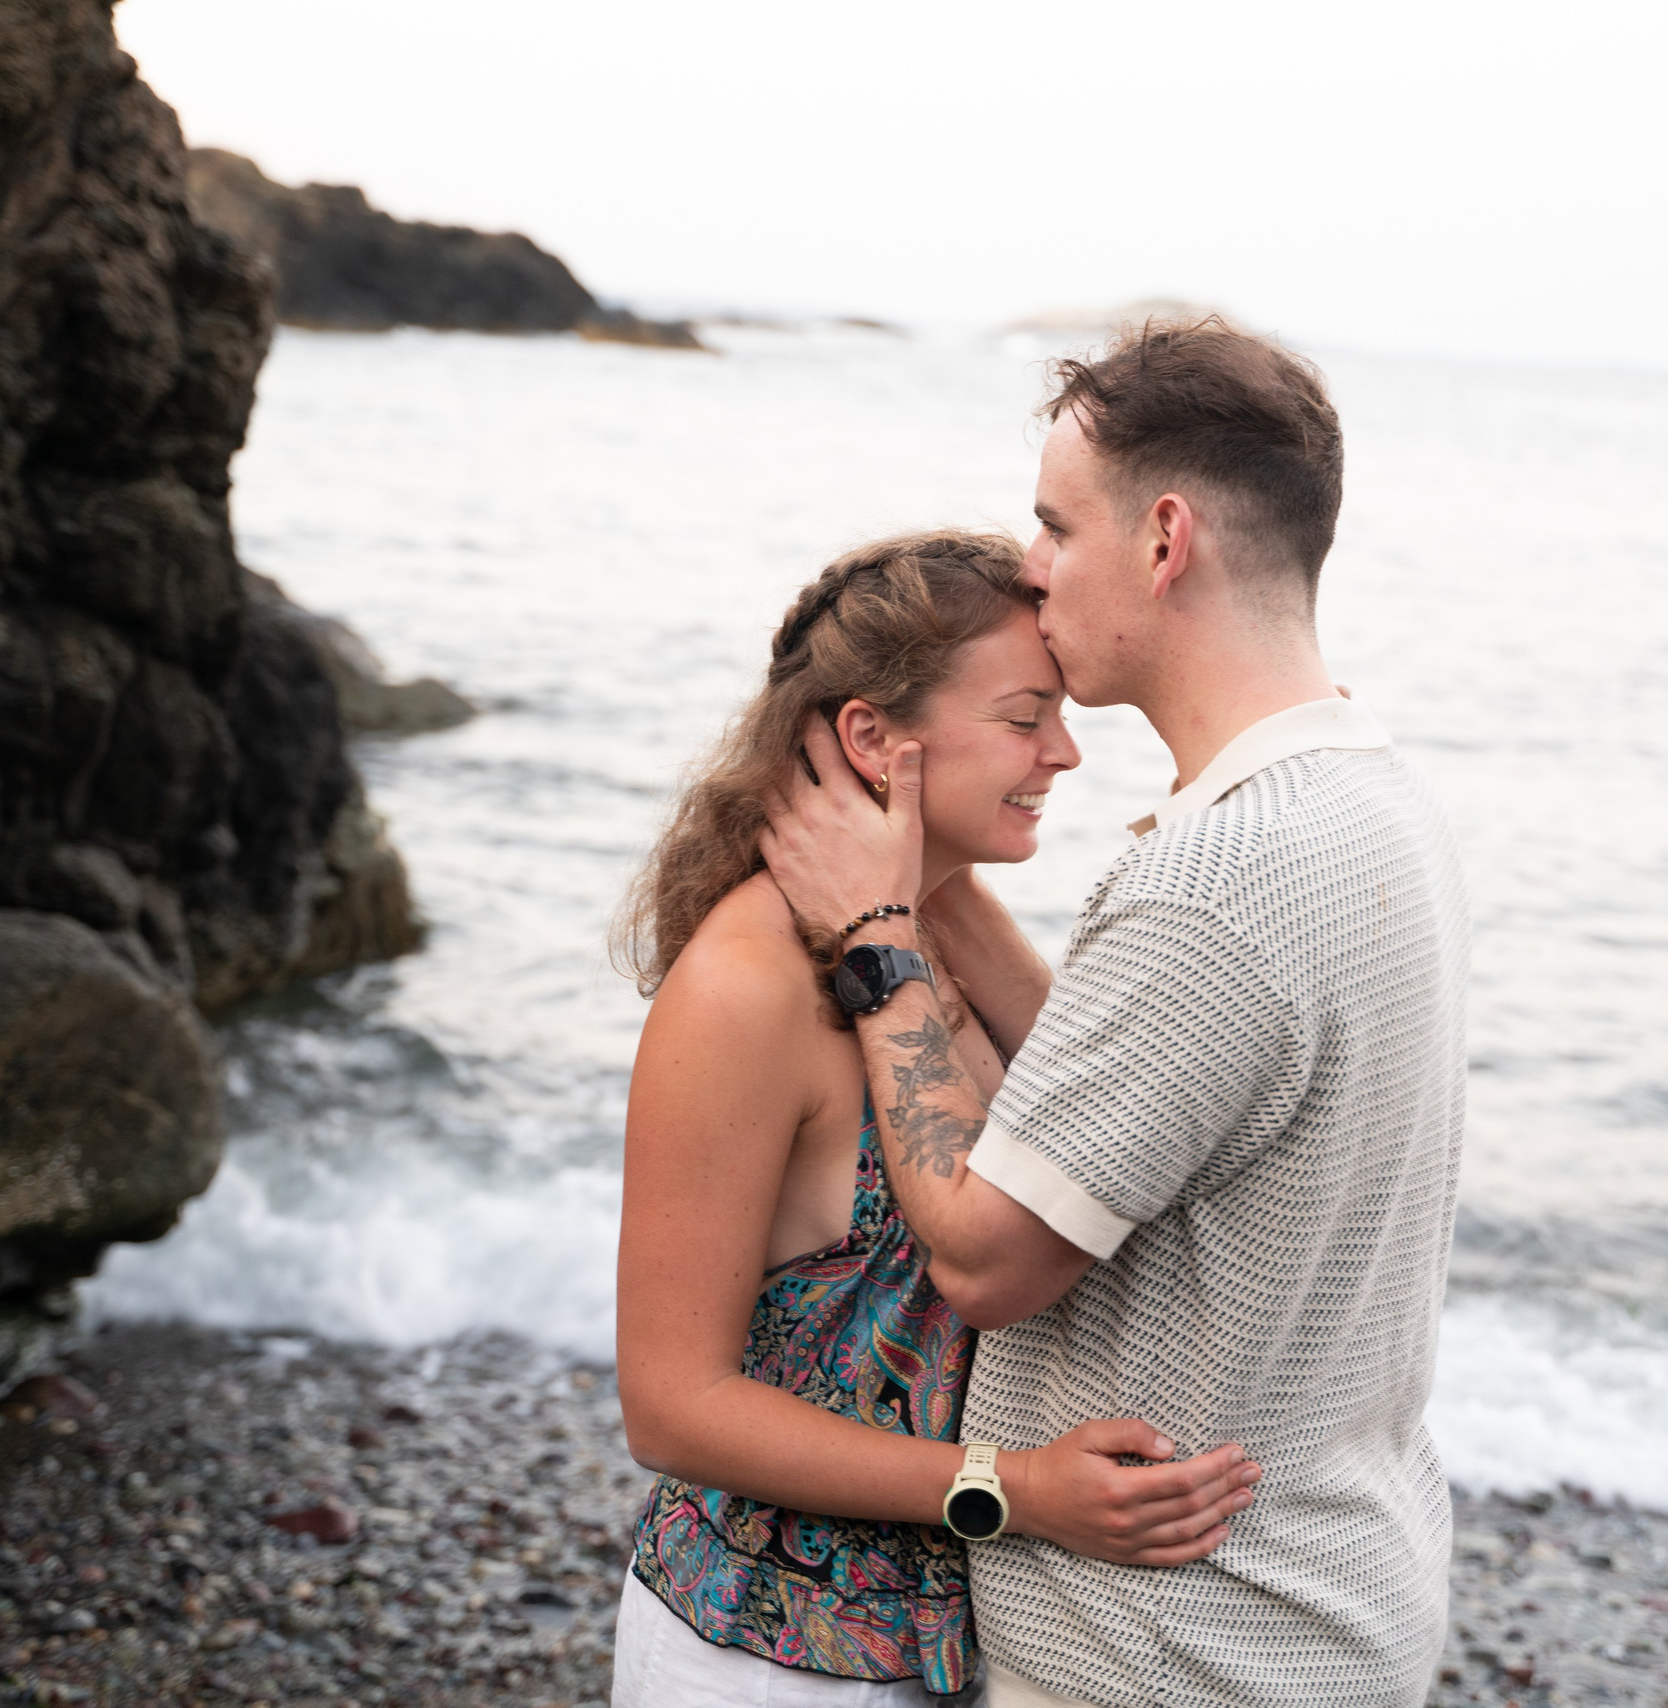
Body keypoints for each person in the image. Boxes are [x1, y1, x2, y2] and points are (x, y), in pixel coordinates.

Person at [760, 321, 1470, 1708]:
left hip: (1176, 1650)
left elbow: (983, 1258)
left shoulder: (1220, 881)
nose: (1032, 564)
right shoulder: (1367, 795)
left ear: (1162, 538)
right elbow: (1142, 1083)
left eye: (1053, 522)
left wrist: (874, 939)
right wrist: (938, 880)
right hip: (1330, 1596)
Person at [609, 529, 1268, 1708]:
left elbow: (1076, 1136)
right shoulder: (744, 989)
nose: (1065, 752)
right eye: (1025, 717)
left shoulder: (920, 943)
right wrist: (1011, 1487)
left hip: (948, 1647)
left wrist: (919, 886)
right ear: (872, 737)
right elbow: (670, 1404)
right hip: (764, 1658)